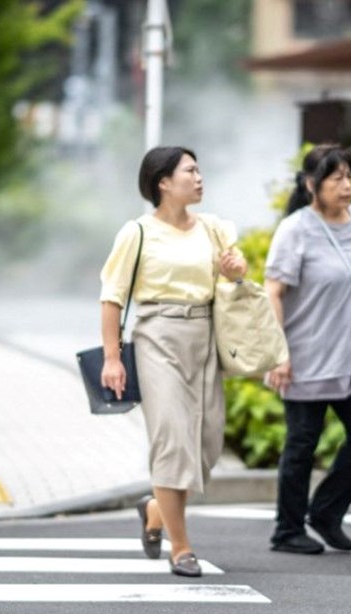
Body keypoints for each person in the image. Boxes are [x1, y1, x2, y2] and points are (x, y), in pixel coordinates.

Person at [99, 145, 248, 577]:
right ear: (163, 182)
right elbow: (112, 297)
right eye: (190, 171)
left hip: (204, 335)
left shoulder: (213, 229)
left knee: (205, 444)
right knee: (171, 440)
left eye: (199, 170)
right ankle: (180, 548)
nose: (199, 178)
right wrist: (112, 358)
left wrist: (236, 272)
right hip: (157, 336)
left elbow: (234, 282)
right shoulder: (138, 233)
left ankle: (154, 509)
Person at [263, 144, 351, 555]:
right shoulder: (295, 230)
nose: (347, 186)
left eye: (349, 176)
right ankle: (287, 530)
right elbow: (273, 292)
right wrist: (279, 353)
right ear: (312, 185)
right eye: (336, 178)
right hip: (306, 357)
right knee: (302, 444)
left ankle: (325, 512)